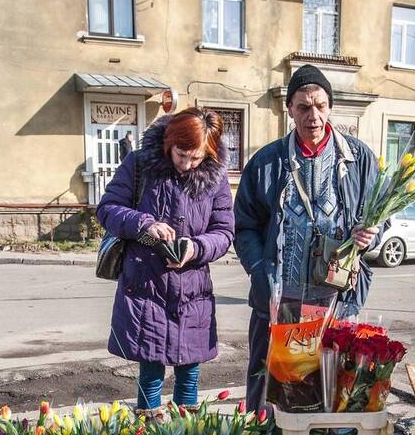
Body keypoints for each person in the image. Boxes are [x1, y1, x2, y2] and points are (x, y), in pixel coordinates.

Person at [234, 64, 382, 411]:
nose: (312, 115)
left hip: (334, 298)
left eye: (320, 105)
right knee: (274, 385)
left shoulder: (358, 158)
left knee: (330, 385)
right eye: (303, 106)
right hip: (281, 299)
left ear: (330, 107)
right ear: (289, 109)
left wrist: (371, 237)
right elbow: (245, 226)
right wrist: (260, 272)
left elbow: (380, 215)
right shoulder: (268, 162)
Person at [99, 108, 234, 412]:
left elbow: (224, 232)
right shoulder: (139, 165)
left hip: (193, 292)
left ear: (209, 150)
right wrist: (144, 224)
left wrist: (196, 248)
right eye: (181, 154)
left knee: (189, 375)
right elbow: (107, 209)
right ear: (168, 143)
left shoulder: (215, 176)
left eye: (195, 157)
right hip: (147, 287)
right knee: (150, 375)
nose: (187, 164)